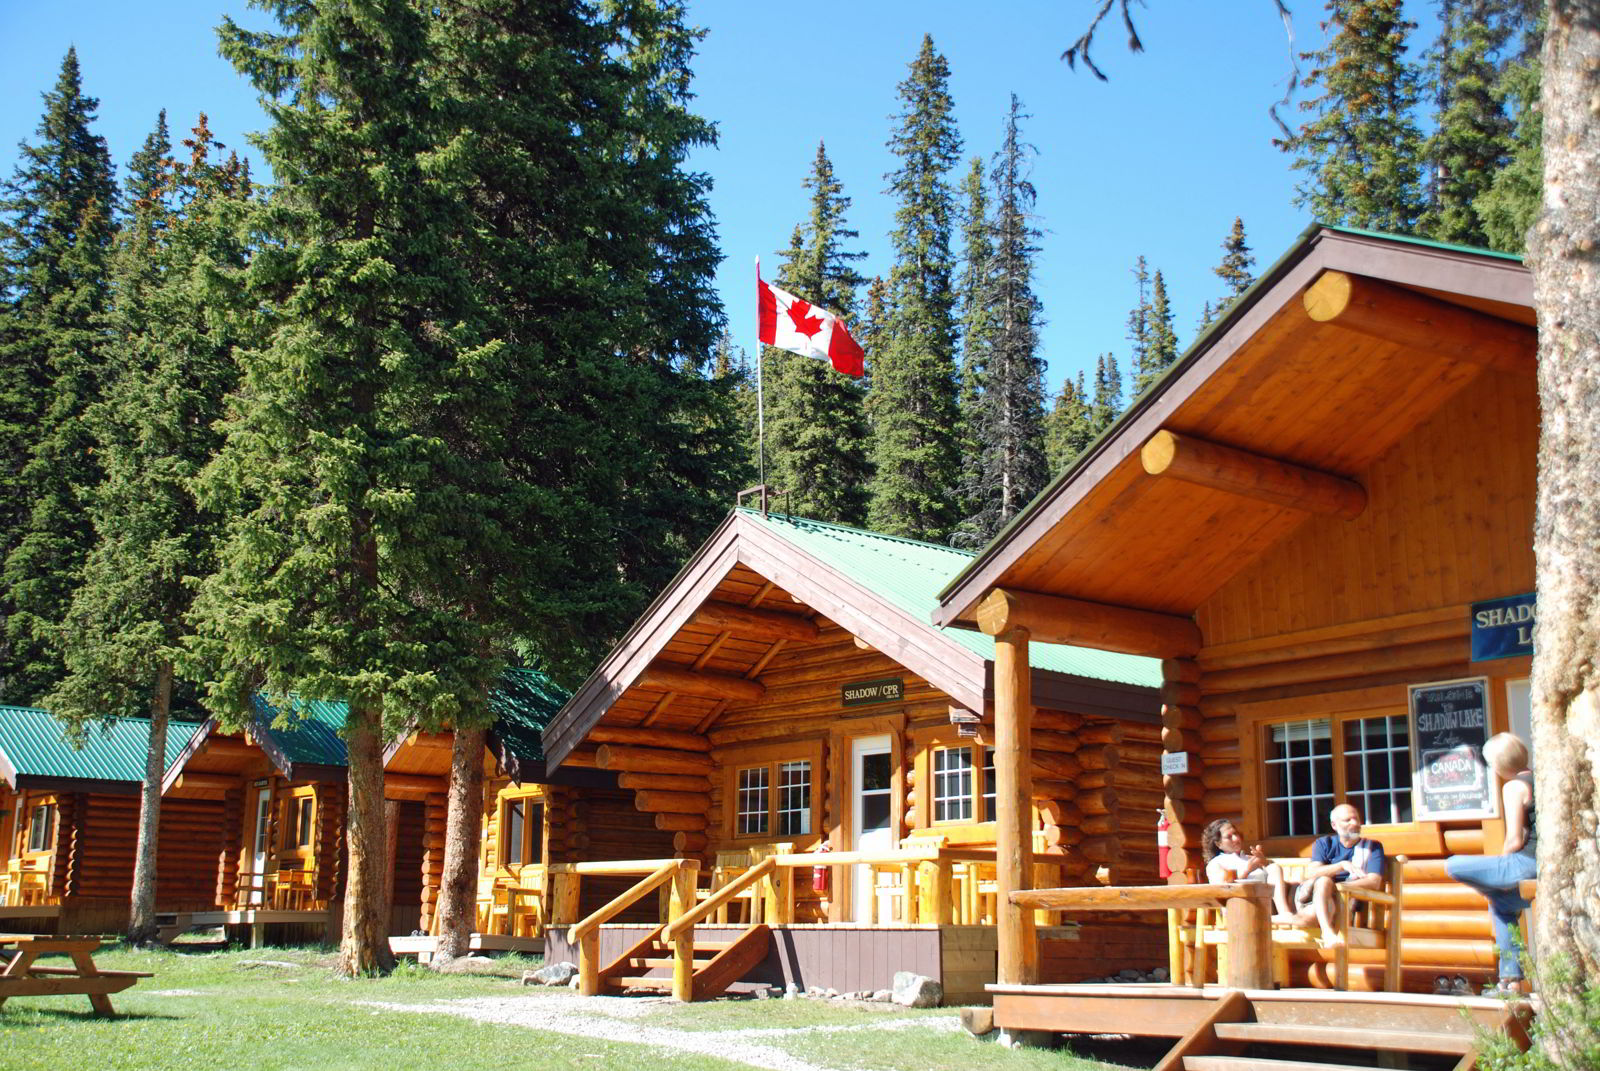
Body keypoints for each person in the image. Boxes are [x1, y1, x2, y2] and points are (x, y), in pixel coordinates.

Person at [1445, 732, 1536, 994]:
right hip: (1542, 863)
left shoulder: (1514, 786)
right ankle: (1511, 981)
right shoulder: (1541, 779)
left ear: (1498, 764)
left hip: (1527, 863)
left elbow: (1514, 840)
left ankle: (1498, 887)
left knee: (1453, 864)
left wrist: (1502, 869)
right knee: (1501, 907)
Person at [1292, 803, 1385, 947]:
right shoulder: (1324, 843)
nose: (1354, 823)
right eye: (1348, 820)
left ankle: (1272, 920)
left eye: (1357, 819)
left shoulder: (1372, 847)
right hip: (1311, 897)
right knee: (1323, 881)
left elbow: (1374, 882)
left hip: (1345, 901)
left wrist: (1336, 889)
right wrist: (1341, 865)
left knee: (1309, 917)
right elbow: (1312, 872)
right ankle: (1328, 933)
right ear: (1334, 825)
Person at [1200, 817, 1294, 918]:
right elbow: (1221, 889)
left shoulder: (1249, 858)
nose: (1236, 839)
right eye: (1229, 837)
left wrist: (1264, 862)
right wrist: (1246, 871)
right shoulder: (1216, 863)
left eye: (1236, 834)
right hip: (1239, 908)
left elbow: (1274, 878)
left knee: (1274, 867)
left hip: (1266, 904)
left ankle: (1284, 913)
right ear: (1218, 844)